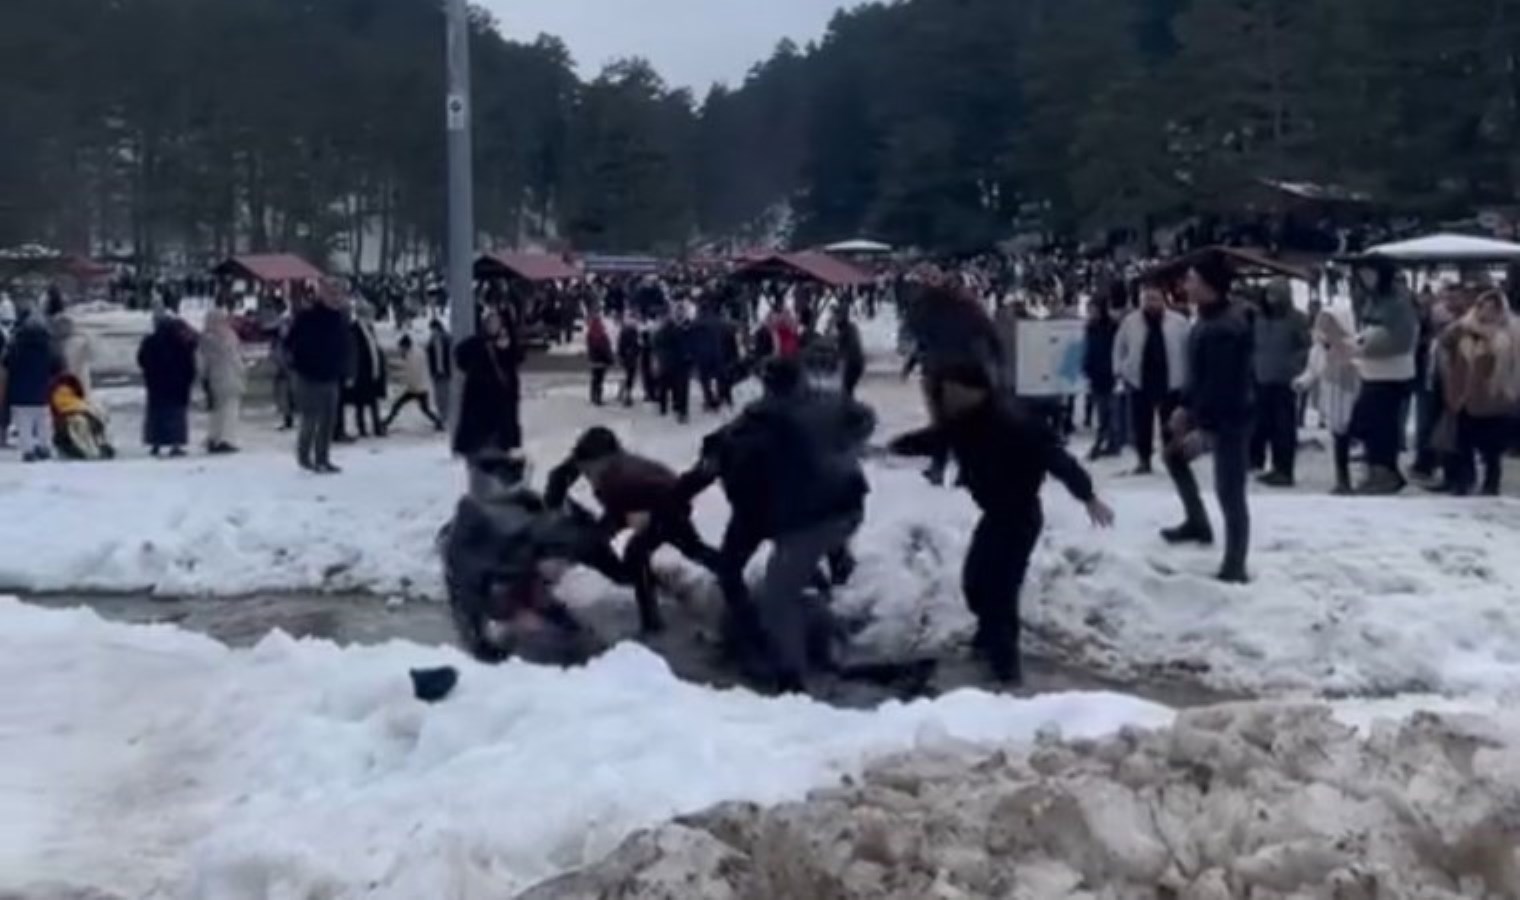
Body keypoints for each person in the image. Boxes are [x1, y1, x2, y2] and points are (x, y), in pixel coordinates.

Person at [888, 363, 1113, 684]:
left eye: (952, 392)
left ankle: (1006, 672)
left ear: (973, 392)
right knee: (976, 583)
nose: (945, 399)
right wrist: (899, 444)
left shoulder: (1012, 420)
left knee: (1000, 592)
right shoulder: (965, 420)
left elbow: (1056, 457)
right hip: (995, 514)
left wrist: (1087, 495)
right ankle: (988, 640)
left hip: (1019, 516)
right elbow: (935, 438)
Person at [676, 357, 877, 691]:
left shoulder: (773, 418)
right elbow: (865, 420)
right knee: (742, 571)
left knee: (778, 591)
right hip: (780, 511)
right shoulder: (767, 419)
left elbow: (705, 471)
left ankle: (792, 677)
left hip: (802, 514)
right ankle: (756, 634)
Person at [544, 427, 723, 635]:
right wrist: (554, 502)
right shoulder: (600, 465)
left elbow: (669, 495)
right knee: (682, 548)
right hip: (643, 503)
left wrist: (647, 516)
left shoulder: (621, 478)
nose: (587, 475)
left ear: (605, 460)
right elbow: (562, 475)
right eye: (583, 470)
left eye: (589, 470)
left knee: (642, 552)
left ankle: (653, 620)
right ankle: (724, 569)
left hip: (667, 506)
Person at [1161, 256, 1255, 584]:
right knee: (1173, 455)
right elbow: (1198, 375)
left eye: (1191, 279)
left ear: (1208, 285)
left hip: (1230, 419)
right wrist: (1184, 407)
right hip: (1208, 412)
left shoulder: (1226, 328)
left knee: (1230, 491)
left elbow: (1223, 386)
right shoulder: (1205, 320)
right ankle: (1197, 523)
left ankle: (1235, 565)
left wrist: (1204, 427)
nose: (1185, 285)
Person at [901, 285, 1005, 485]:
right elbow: (992, 337)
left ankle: (939, 468)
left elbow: (921, 340)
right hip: (967, 371)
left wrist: (910, 364)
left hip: (939, 372)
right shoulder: (972, 310)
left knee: (942, 424)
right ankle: (964, 472)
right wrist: (998, 363)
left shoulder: (933, 313)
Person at [1433, 289, 1520, 496]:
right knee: (1463, 442)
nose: (1485, 312)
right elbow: (1444, 344)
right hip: (1464, 394)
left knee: (1491, 447)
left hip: (1494, 398)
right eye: (1482, 306)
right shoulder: (1464, 329)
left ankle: (1491, 483)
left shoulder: (1510, 333)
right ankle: (1463, 481)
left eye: (1491, 308)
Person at [1349, 259, 1419, 495]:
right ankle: (1380, 470)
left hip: (1392, 374)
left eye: (1370, 274)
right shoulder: (1372, 301)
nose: (1366, 280)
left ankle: (1385, 473)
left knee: (1383, 426)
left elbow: (1402, 339)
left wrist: (1366, 345)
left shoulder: (1399, 304)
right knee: (1369, 423)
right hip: (1371, 371)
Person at [1114, 281, 1190, 474]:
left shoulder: (1179, 322)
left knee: (1170, 423)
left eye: (1154, 299)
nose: (1150, 303)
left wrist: (1190, 375)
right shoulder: (1130, 321)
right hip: (1139, 379)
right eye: (1146, 299)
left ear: (1164, 300)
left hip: (1171, 378)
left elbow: (1189, 350)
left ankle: (1173, 457)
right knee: (1141, 423)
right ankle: (1144, 459)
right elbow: (1119, 347)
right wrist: (1120, 369)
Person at [1251, 279, 1312, 487]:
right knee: (1261, 425)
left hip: (1285, 382)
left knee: (1283, 429)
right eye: (1269, 295)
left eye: (1276, 295)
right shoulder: (1258, 319)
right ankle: (1265, 464)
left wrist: (1295, 365)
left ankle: (1284, 470)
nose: (1272, 299)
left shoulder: (1297, 319)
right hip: (1261, 379)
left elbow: (1307, 347)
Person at [454, 309, 524, 492]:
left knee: (499, 473)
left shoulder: (508, 352)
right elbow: (460, 356)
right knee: (480, 474)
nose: (493, 326)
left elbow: (518, 357)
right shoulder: (476, 347)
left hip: (500, 424)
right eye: (490, 322)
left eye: (497, 322)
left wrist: (507, 346)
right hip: (479, 423)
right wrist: (483, 343)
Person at [1294, 307, 1361, 495]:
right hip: (1331, 398)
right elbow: (1313, 370)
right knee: (1339, 439)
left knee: (1347, 438)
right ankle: (1342, 479)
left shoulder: (1352, 346)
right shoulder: (1318, 349)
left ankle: (1351, 479)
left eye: (1329, 323)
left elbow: (1361, 371)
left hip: (1350, 398)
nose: (1325, 328)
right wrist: (1302, 382)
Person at [286, 289, 351, 473]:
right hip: (309, 376)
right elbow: (291, 342)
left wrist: (343, 368)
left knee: (328, 420)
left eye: (338, 295)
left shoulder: (339, 319)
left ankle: (323, 457)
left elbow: (344, 346)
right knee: (311, 418)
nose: (336, 298)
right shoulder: (307, 318)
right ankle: (304, 457)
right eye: (332, 294)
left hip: (331, 376)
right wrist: (301, 363)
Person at [137, 311, 198, 458]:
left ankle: (155, 443)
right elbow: (189, 361)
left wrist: (149, 374)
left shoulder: (150, 341)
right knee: (176, 415)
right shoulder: (180, 341)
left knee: (156, 415)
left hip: (156, 386)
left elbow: (141, 359)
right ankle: (175, 443)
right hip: (177, 386)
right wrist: (188, 379)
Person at [3, 312, 62, 462]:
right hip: (41, 390)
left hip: (19, 392)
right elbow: (56, 366)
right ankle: (44, 446)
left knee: (24, 423)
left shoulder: (16, 345)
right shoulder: (47, 346)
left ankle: (28, 450)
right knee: (43, 421)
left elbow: (7, 363)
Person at [1082, 298, 1121, 460]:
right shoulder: (1090, 328)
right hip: (1096, 373)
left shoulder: (1112, 327)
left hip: (1110, 371)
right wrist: (1086, 366)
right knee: (1102, 409)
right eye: (1089, 310)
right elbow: (1088, 348)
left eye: (1094, 309)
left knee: (1110, 409)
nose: (1091, 313)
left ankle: (1108, 441)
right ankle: (1108, 441)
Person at [343, 302, 387, 439]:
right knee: (360, 402)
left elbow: (374, 348)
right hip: (361, 371)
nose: (371, 316)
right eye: (369, 313)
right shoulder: (354, 329)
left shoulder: (370, 329)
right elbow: (353, 352)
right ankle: (362, 427)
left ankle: (376, 426)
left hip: (372, 370)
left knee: (373, 401)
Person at [383, 334, 444, 432]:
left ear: (405, 346)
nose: (400, 350)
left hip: (416, 388)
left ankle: (386, 422)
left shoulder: (412, 355)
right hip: (420, 387)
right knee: (425, 409)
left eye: (401, 347)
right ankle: (438, 422)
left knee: (398, 405)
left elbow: (412, 372)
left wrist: (408, 385)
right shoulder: (417, 352)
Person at [49, 374, 115, 461]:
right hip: (82, 411)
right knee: (89, 430)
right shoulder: (73, 385)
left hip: (66, 414)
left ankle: (86, 451)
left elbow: (53, 409)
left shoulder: (54, 389)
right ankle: (97, 448)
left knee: (78, 431)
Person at [653, 305, 695, 422]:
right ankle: (681, 411)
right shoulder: (679, 331)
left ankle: (663, 408)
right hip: (679, 363)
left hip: (664, 363)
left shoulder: (658, 333)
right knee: (681, 388)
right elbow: (684, 347)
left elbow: (655, 347)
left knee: (664, 386)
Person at [52, 314, 95, 396]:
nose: (61, 329)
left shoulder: (79, 341)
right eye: (59, 326)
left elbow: (90, 357)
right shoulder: (54, 343)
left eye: (64, 325)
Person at [426, 319, 454, 420]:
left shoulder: (442, 339)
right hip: (439, 372)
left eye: (433, 329)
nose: (432, 331)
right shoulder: (435, 340)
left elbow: (444, 357)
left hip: (442, 372)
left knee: (443, 395)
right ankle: (443, 414)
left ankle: (444, 415)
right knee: (440, 395)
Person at [837, 305, 866, 400]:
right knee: (848, 389)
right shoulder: (852, 328)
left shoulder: (845, 331)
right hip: (859, 363)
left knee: (846, 388)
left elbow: (841, 352)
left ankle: (847, 407)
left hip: (853, 363)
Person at [586, 311, 614, 406]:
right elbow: (605, 348)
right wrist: (610, 359)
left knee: (594, 379)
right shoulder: (602, 335)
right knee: (600, 380)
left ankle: (593, 396)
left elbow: (590, 347)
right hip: (601, 361)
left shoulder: (590, 334)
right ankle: (598, 398)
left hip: (593, 360)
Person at [616, 314, 641, 406]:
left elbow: (621, 346)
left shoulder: (630, 331)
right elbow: (623, 345)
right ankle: (626, 395)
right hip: (629, 358)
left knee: (627, 376)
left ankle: (623, 393)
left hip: (629, 358)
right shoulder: (629, 332)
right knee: (628, 377)